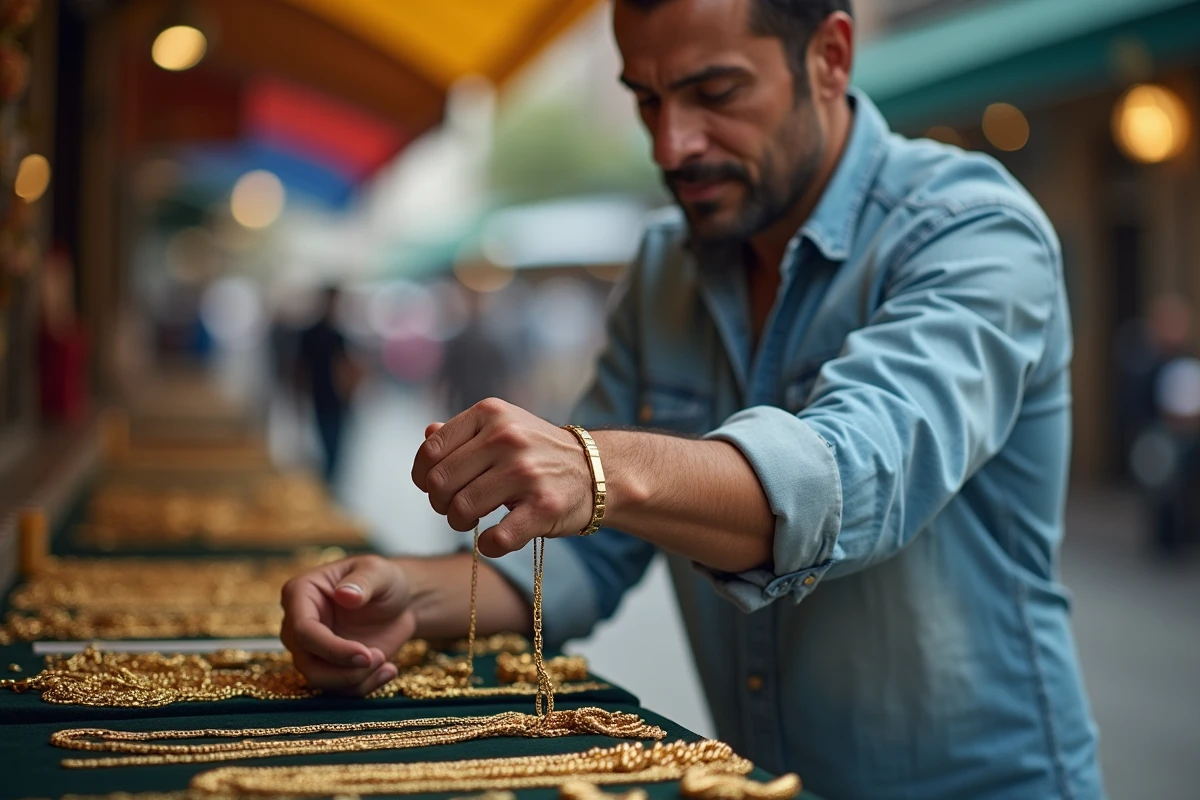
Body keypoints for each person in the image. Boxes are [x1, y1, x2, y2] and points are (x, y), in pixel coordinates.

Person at [279, 2, 1104, 798]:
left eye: (716, 93)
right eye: (646, 98)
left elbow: (849, 479)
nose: (672, 144)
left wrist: (596, 465)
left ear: (831, 57)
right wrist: (401, 599)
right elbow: (587, 551)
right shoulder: (666, 265)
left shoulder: (973, 231)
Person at [295, 285, 362, 484]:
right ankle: (328, 488)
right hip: (327, 399)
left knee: (331, 450)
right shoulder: (330, 335)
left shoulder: (324, 334)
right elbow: (301, 370)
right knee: (332, 451)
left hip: (327, 399)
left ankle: (328, 487)